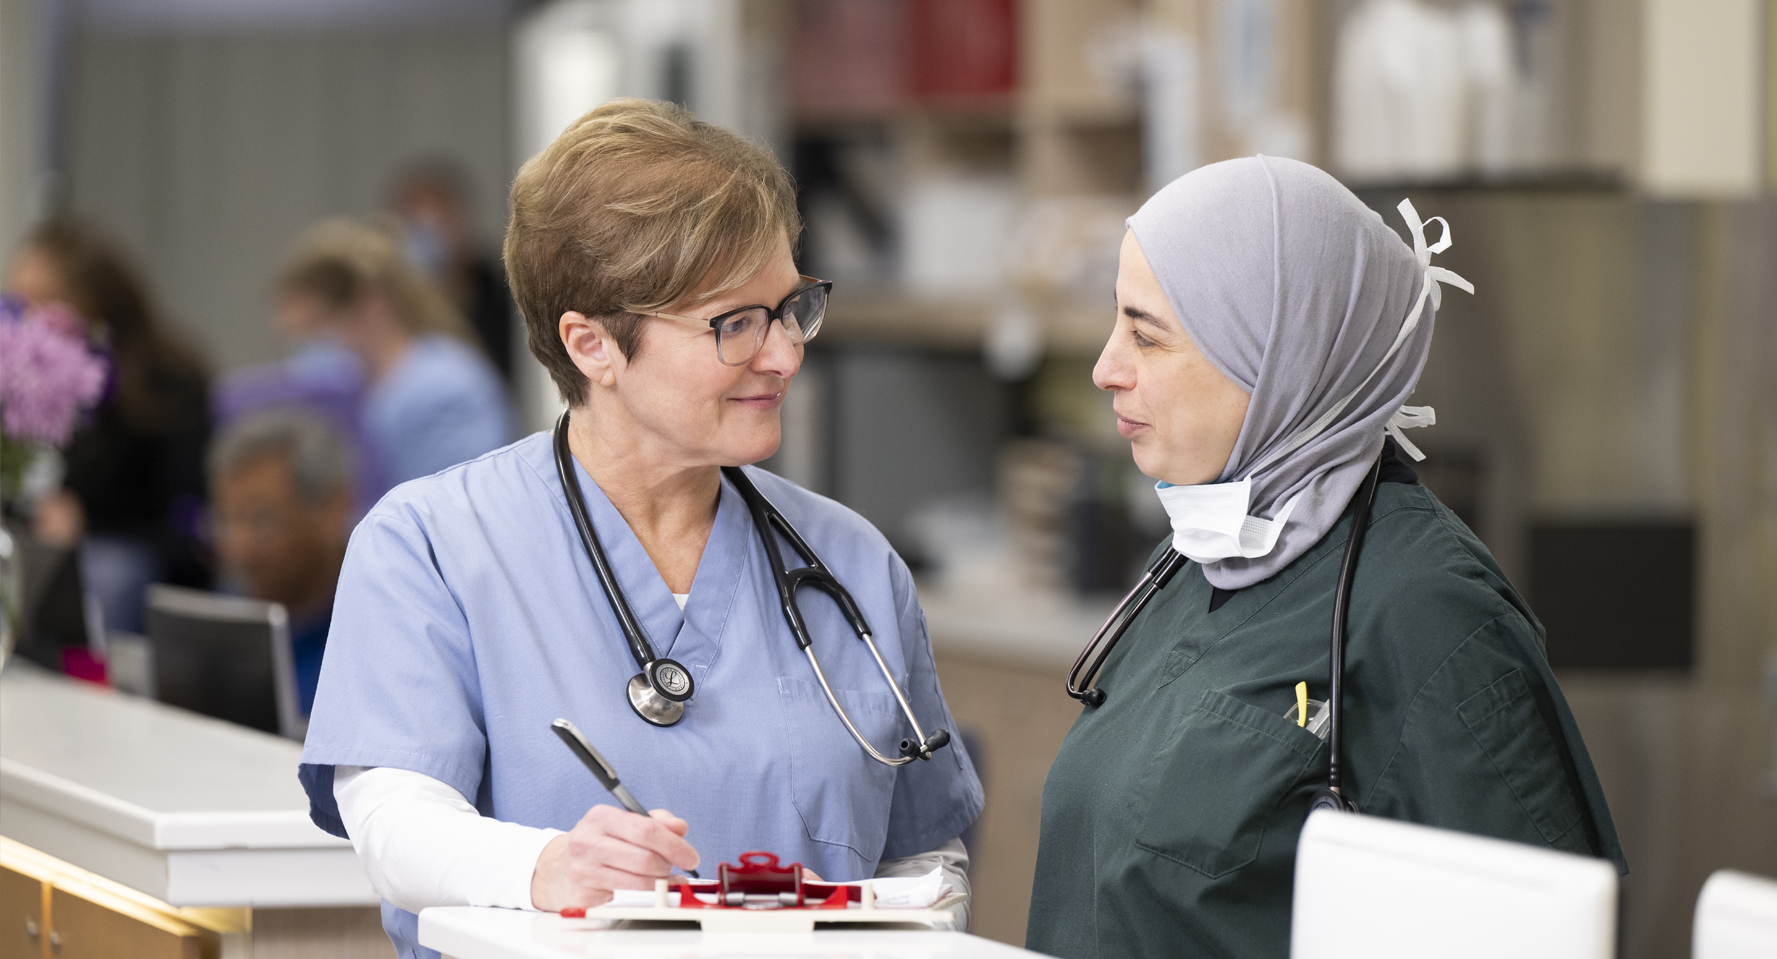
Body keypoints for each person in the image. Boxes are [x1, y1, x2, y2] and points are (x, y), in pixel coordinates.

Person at [297, 99, 983, 959]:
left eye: (790, 307)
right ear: (591, 346)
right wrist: (546, 865)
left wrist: (934, 910)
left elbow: (923, 853)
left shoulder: (849, 560)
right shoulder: (431, 544)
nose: (783, 354)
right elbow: (393, 822)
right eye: (734, 323)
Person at [1026, 156, 1624, 958]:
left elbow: (1549, 928)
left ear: (1274, 355)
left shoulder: (1428, 614)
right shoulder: (1199, 557)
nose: (1106, 367)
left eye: (1144, 333)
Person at [7, 220, 212, 634]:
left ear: (96, 301)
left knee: (108, 571)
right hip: (48, 555)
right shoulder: (20, 386)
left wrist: (86, 528)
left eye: (46, 301)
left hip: (138, 568)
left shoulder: (168, 386)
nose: (31, 322)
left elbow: (191, 531)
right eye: (19, 304)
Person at [273, 218, 510, 501]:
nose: (309, 354)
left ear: (368, 305)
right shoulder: (359, 384)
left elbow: (447, 514)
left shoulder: (444, 389)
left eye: (316, 328)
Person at [209, 410, 354, 717]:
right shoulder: (226, 613)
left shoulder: (378, 637)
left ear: (332, 510)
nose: (237, 548)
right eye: (225, 519)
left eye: (261, 520)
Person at [387, 158, 517, 382]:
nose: (430, 238)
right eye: (417, 227)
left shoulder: (506, 293)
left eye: (439, 222)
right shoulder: (386, 307)